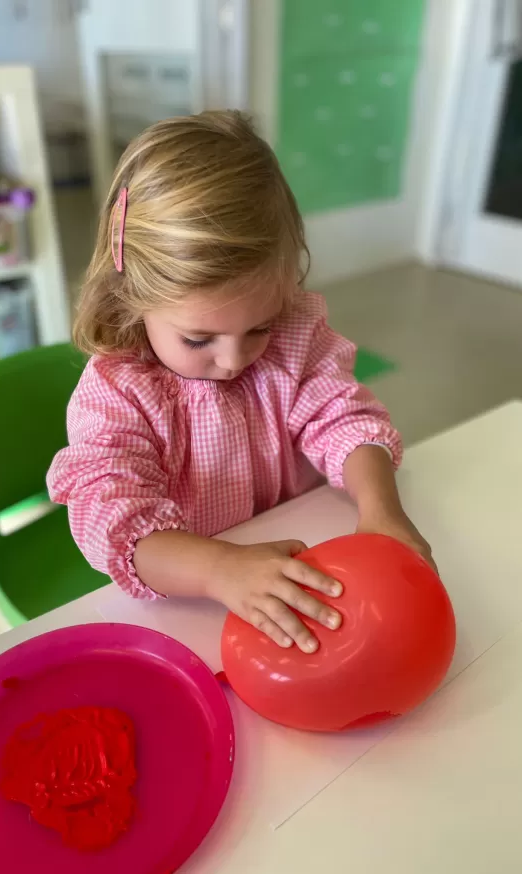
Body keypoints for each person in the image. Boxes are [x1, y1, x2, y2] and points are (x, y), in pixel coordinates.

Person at [48, 111, 434, 654]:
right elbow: (112, 518)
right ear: (132, 296)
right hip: (191, 598)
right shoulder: (119, 391)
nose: (234, 360)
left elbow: (342, 417)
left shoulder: (295, 333)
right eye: (198, 339)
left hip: (302, 558)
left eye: (259, 327)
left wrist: (381, 511)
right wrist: (219, 570)